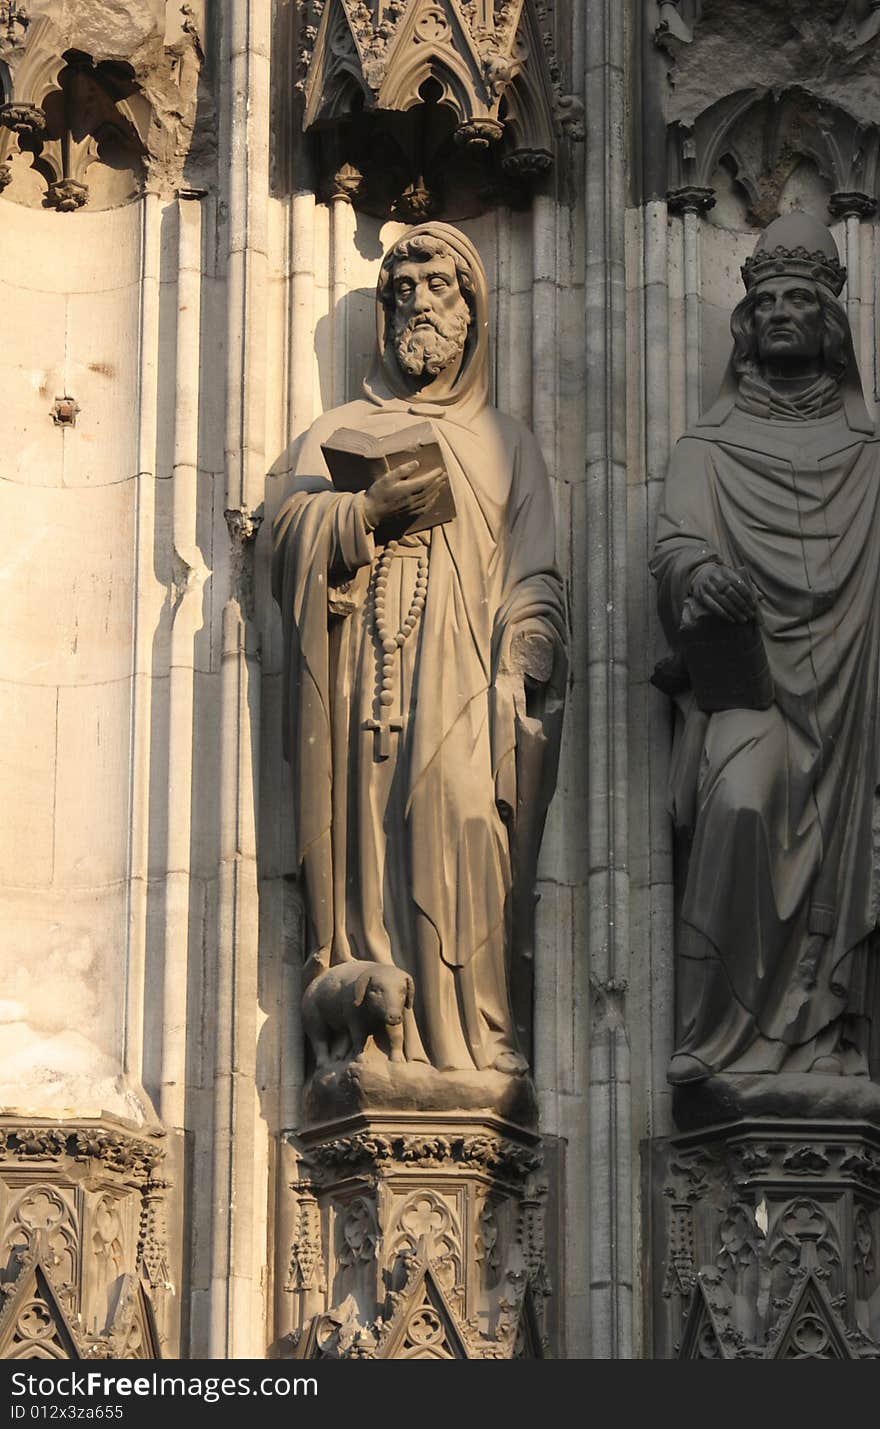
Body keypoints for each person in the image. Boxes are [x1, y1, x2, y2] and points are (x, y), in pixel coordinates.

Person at [272, 223, 567, 1082]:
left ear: (472, 313)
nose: (420, 306)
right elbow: (286, 539)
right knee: (370, 831)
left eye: (440, 289)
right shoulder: (339, 431)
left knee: (467, 816)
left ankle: (475, 1030)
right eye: (403, 290)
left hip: (466, 682)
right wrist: (362, 514)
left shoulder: (505, 444)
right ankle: (374, 1003)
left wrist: (527, 651)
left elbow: (536, 578)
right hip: (368, 674)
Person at [651, 211, 880, 1089]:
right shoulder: (706, 451)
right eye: (768, 300)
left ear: (832, 322)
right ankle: (722, 1036)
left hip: (853, 699)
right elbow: (673, 552)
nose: (783, 312)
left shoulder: (868, 454)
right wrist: (702, 577)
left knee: (850, 849)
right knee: (742, 803)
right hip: (752, 692)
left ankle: (827, 1036)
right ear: (747, 326)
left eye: (801, 298)